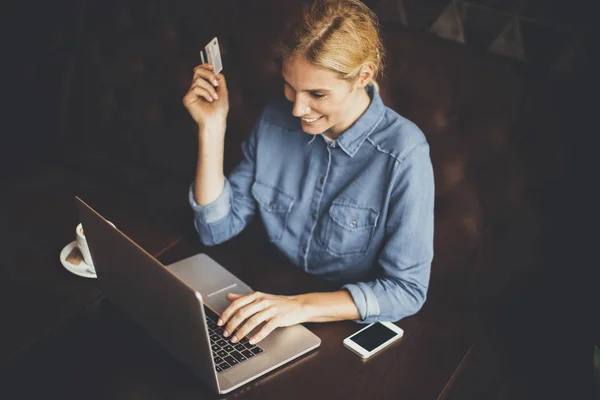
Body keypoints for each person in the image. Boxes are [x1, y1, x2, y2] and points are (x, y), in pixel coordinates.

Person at [182, 0, 434, 346]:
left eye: (317, 94)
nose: (298, 109)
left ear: (363, 75)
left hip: (339, 327)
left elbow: (406, 290)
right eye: (290, 87)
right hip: (268, 296)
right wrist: (212, 128)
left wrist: (297, 308)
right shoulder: (274, 119)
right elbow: (215, 229)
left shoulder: (404, 154)